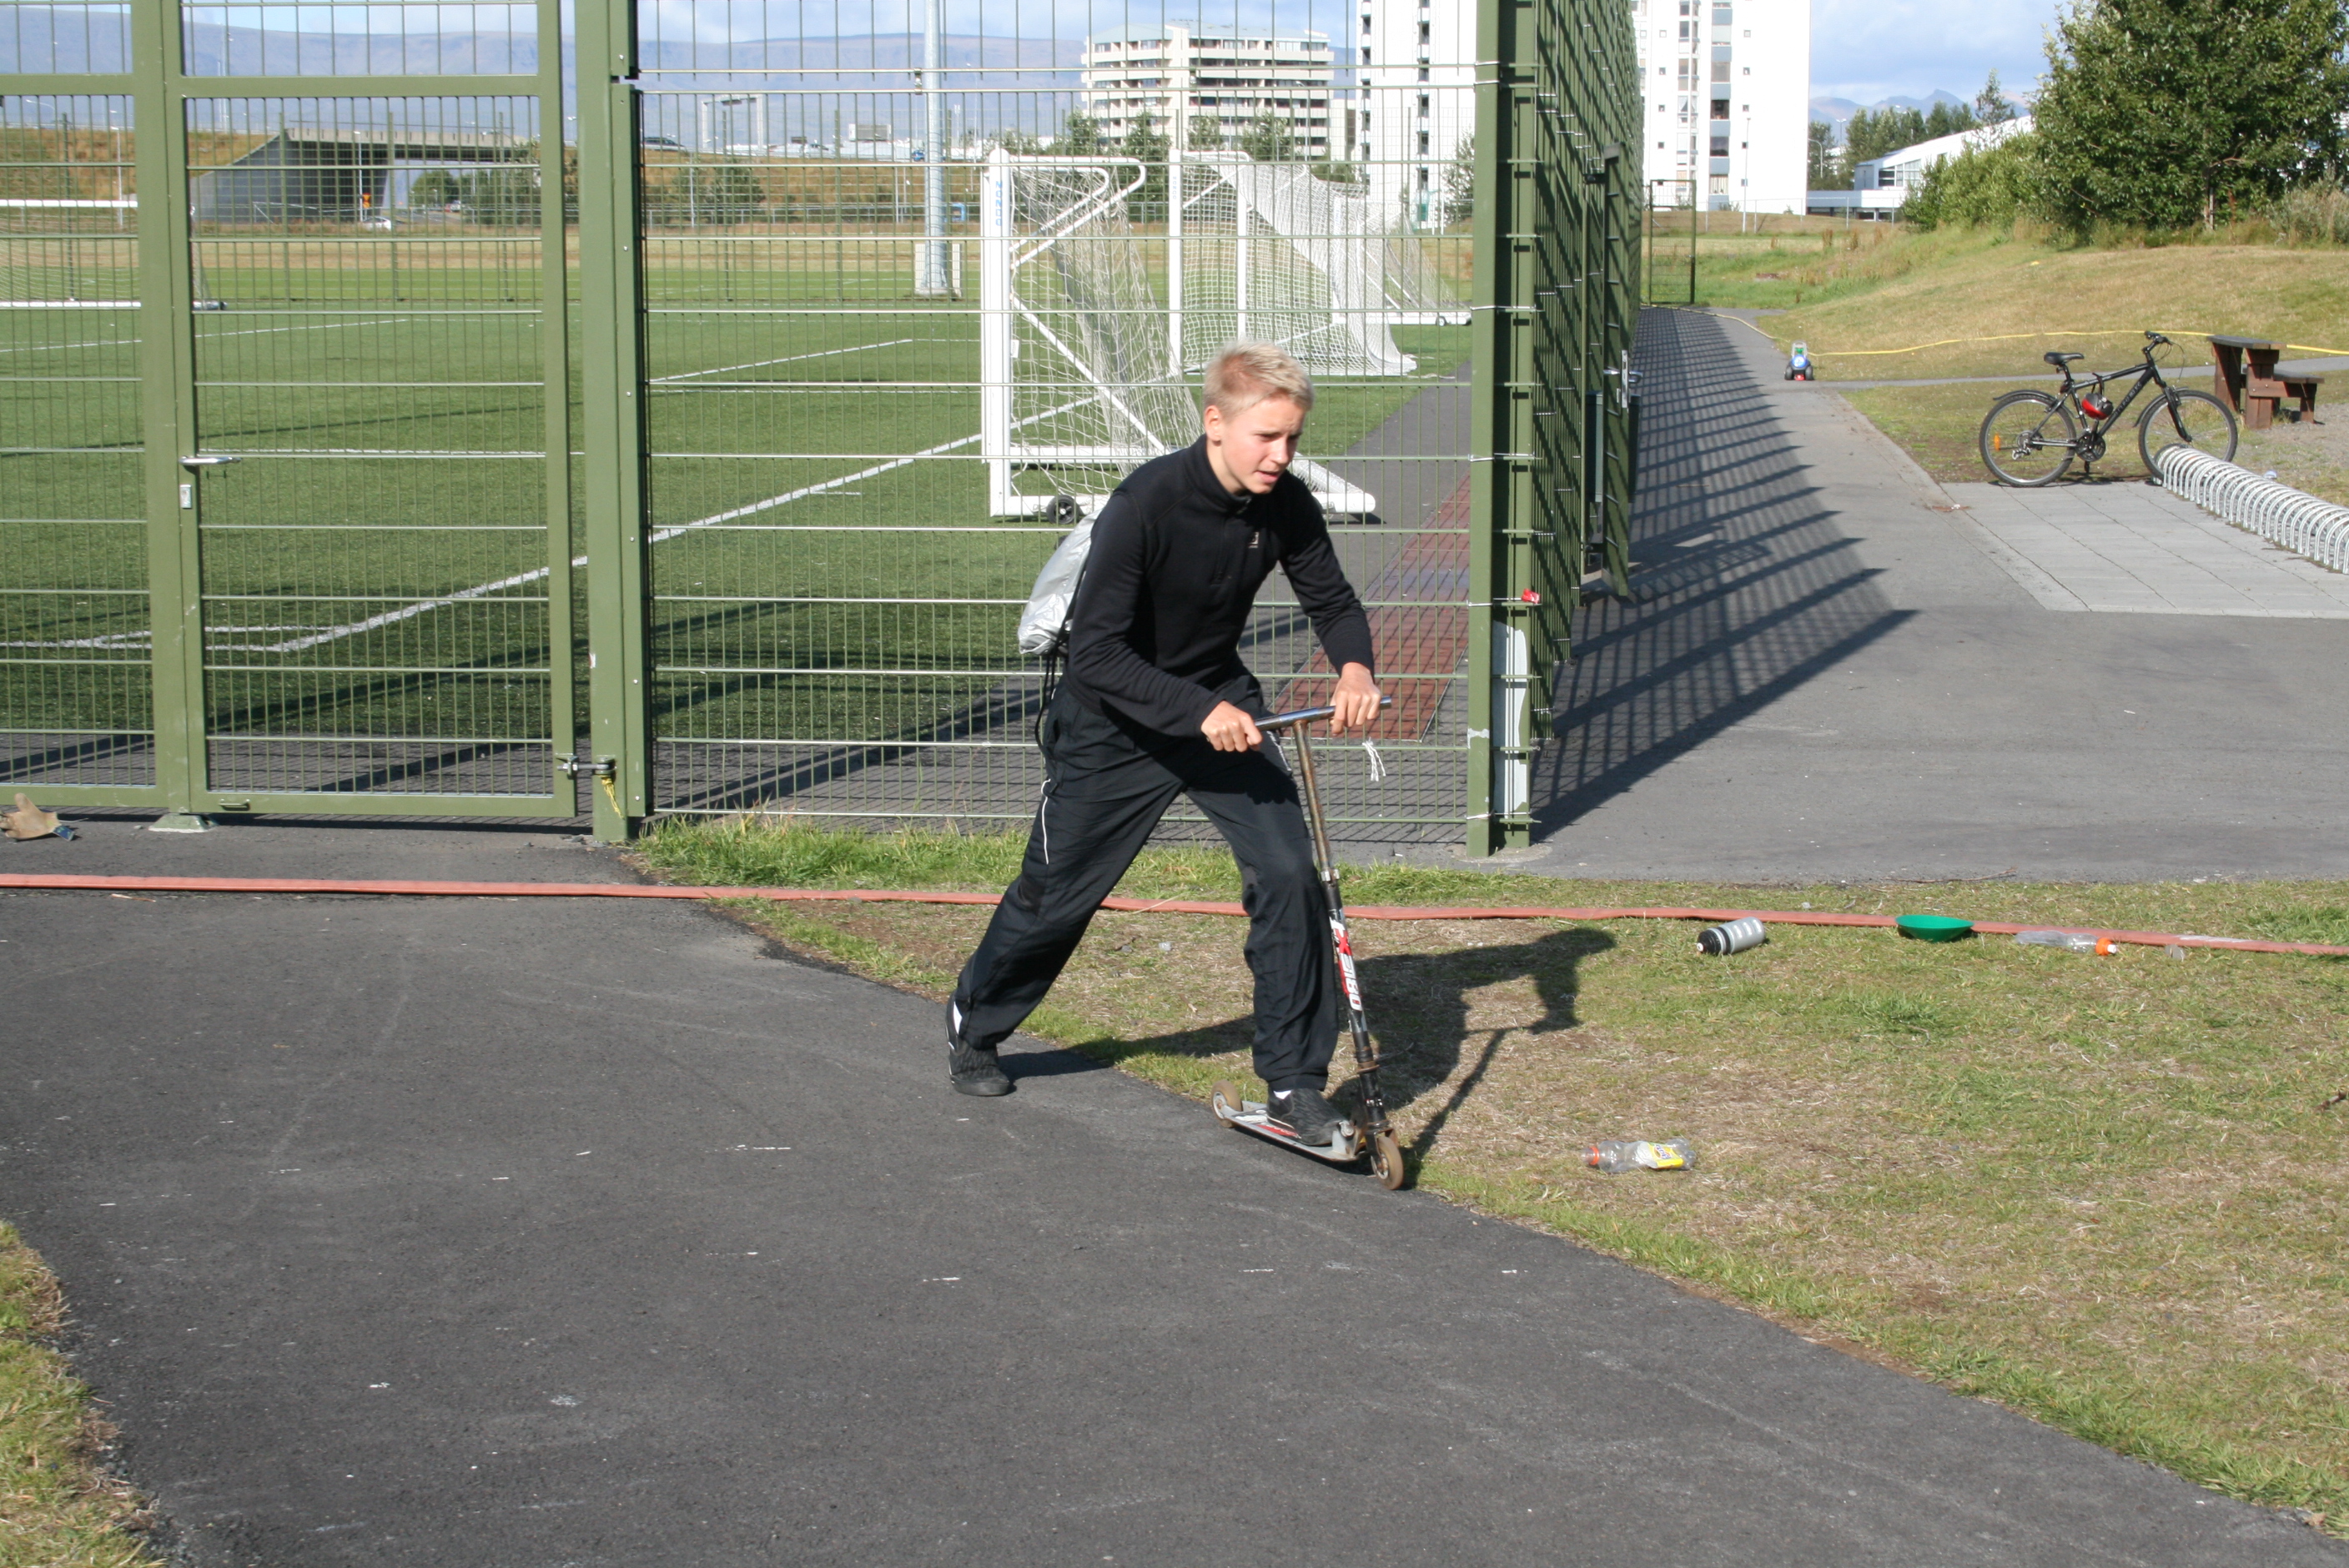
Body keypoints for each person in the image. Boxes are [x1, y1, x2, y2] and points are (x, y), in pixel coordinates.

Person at [943, 342, 1383, 1143]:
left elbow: (1332, 600)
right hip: (1114, 718)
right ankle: (976, 1022)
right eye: (1266, 437)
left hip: (1218, 707)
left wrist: (1355, 668)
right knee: (1057, 892)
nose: (1282, 456)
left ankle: (1293, 1085)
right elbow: (1096, 653)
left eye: (1293, 438)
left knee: (1290, 873)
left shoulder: (1285, 502)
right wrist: (1194, 709)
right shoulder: (1147, 502)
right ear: (1215, 422)